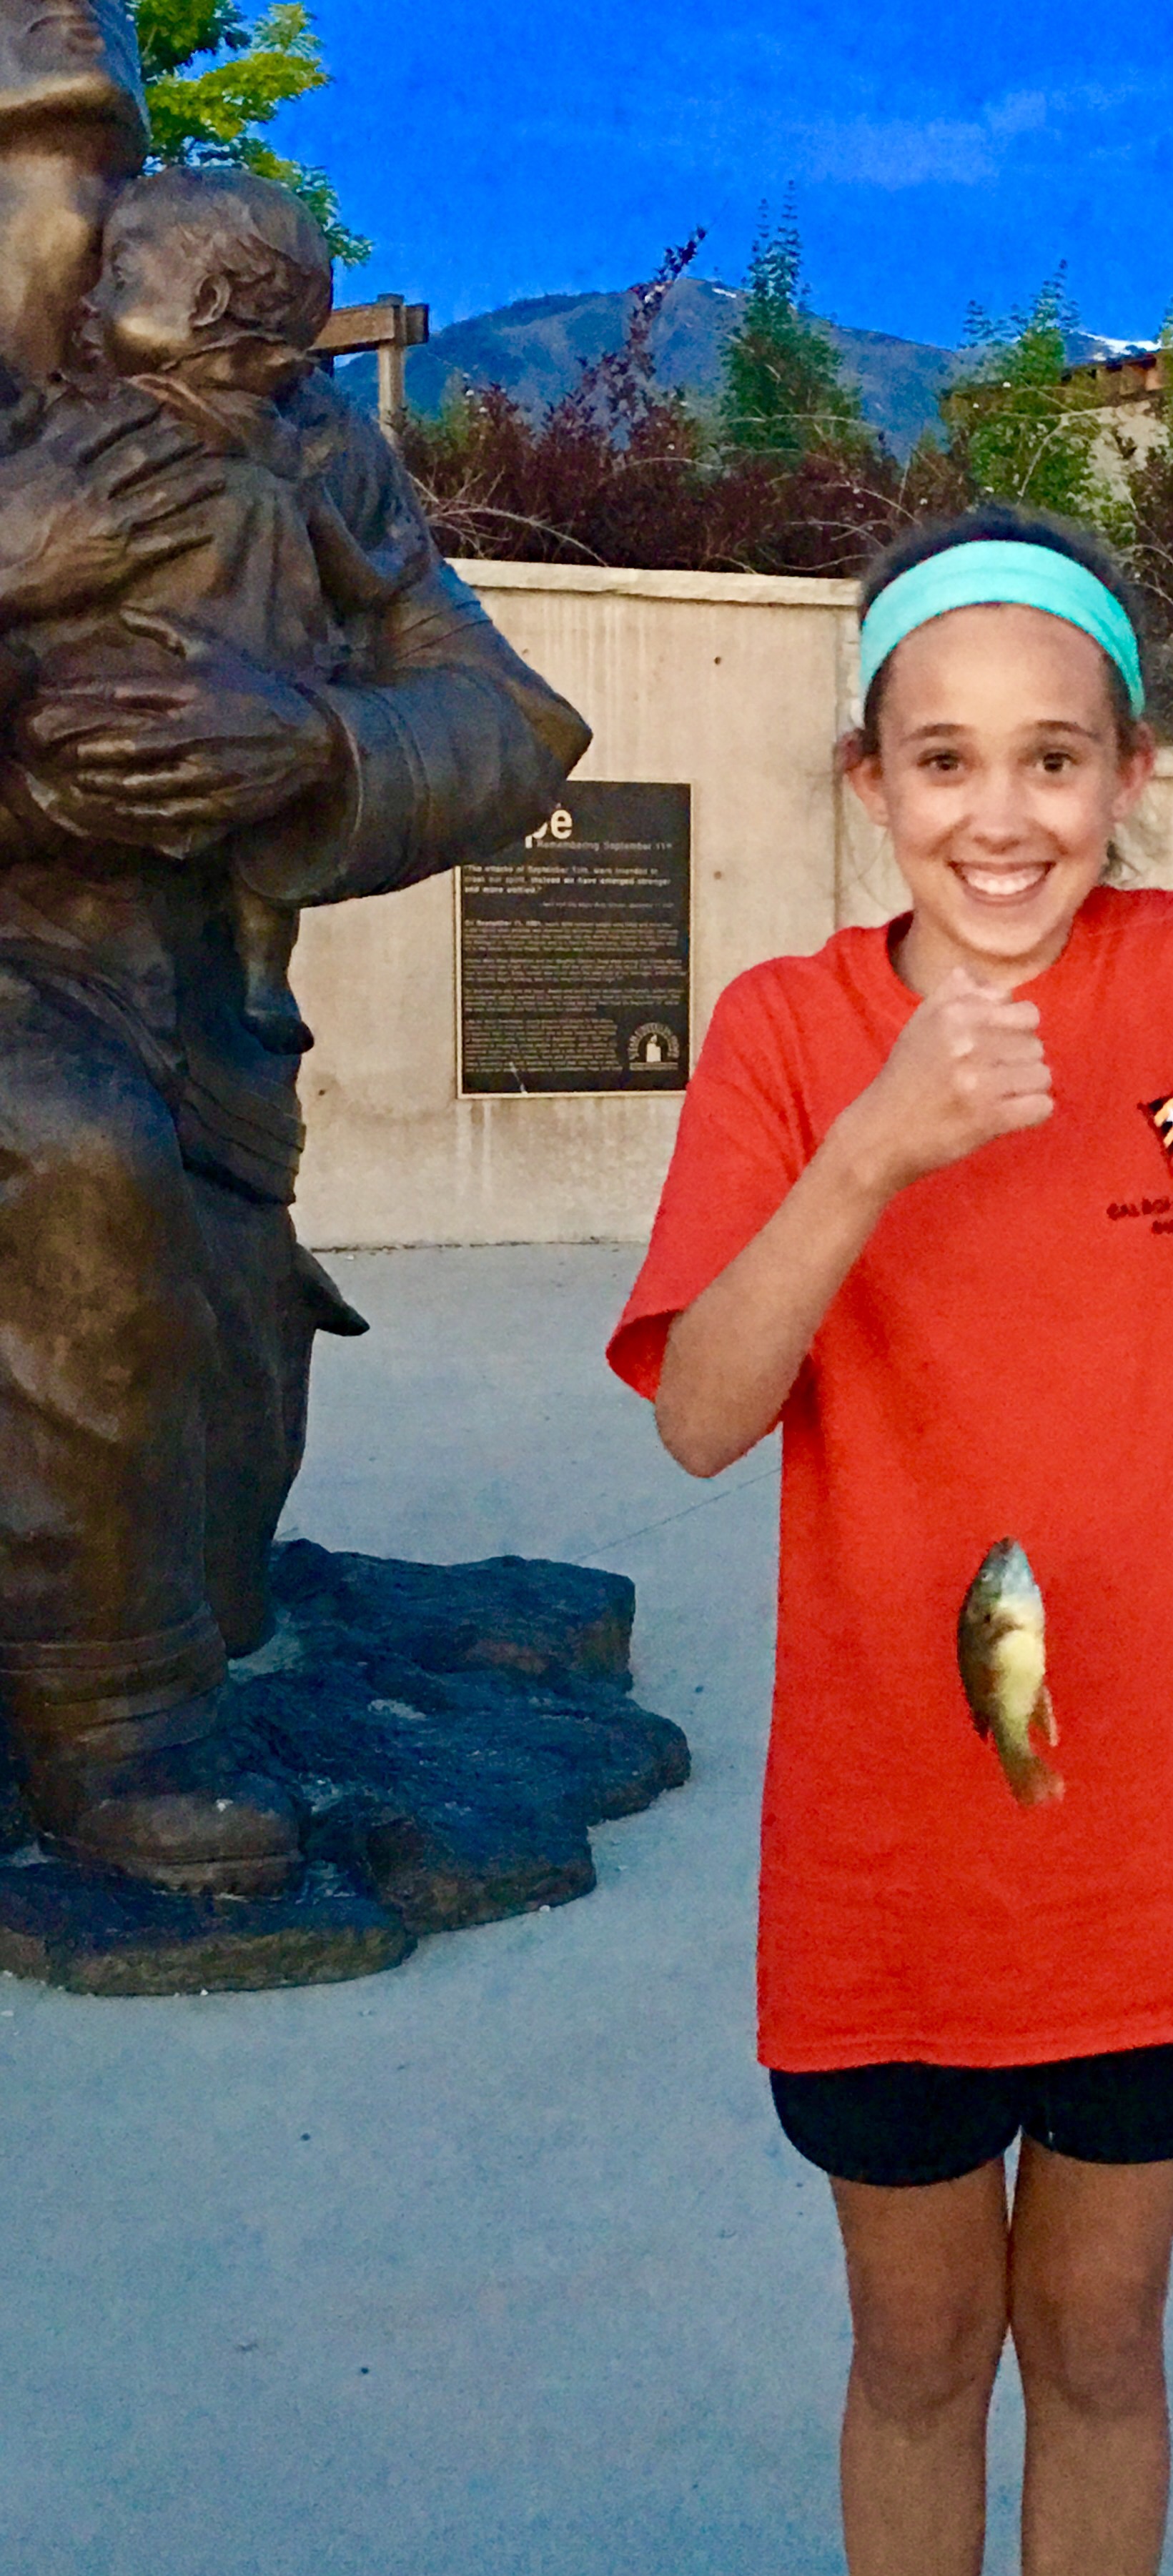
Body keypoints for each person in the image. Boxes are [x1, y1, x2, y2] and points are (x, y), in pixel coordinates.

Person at [608, 504, 1173, 2576]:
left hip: (1158, 1845)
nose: (1001, 814)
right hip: (893, 1860)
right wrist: (875, 1146)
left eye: (1054, 757)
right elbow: (705, 1408)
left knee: (1104, 2346)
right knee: (916, 2353)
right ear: (868, 782)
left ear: (1129, 772)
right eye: (942, 759)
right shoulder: (786, 1032)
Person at [0, 8, 590, 1892]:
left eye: (89, 171)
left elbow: (506, 720)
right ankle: (110, 1732)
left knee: (220, 1533)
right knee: (73, 1161)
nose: (57, 233)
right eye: (20, 174)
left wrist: (317, 747)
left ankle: (161, 1637)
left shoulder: (290, 424)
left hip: (197, 1024)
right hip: (37, 1022)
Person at [6, 162, 429, 1053]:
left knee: (256, 816)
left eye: (119, 275)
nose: (89, 298)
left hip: (242, 679)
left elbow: (358, 575)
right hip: (134, 682)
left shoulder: (298, 430)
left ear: (202, 303)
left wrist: (322, 726)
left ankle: (262, 976)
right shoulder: (88, 419)